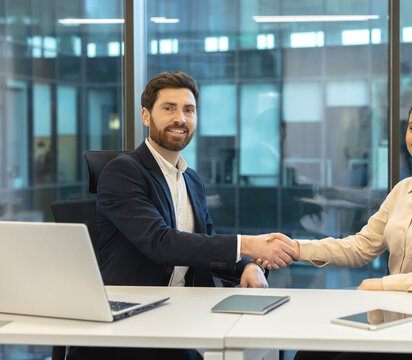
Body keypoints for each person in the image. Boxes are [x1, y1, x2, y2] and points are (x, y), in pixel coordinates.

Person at [67, 71, 297, 360]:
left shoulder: (191, 180)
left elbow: (205, 243)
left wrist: (247, 267)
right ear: (146, 116)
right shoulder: (123, 172)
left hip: (185, 314)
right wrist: (248, 244)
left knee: (262, 344)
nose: (181, 119)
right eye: (169, 108)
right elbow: (160, 243)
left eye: (189, 110)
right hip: (133, 321)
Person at [267, 90, 412, 360]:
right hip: (395, 315)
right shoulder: (402, 190)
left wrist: (388, 284)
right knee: (309, 354)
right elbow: (361, 247)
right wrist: (296, 248)